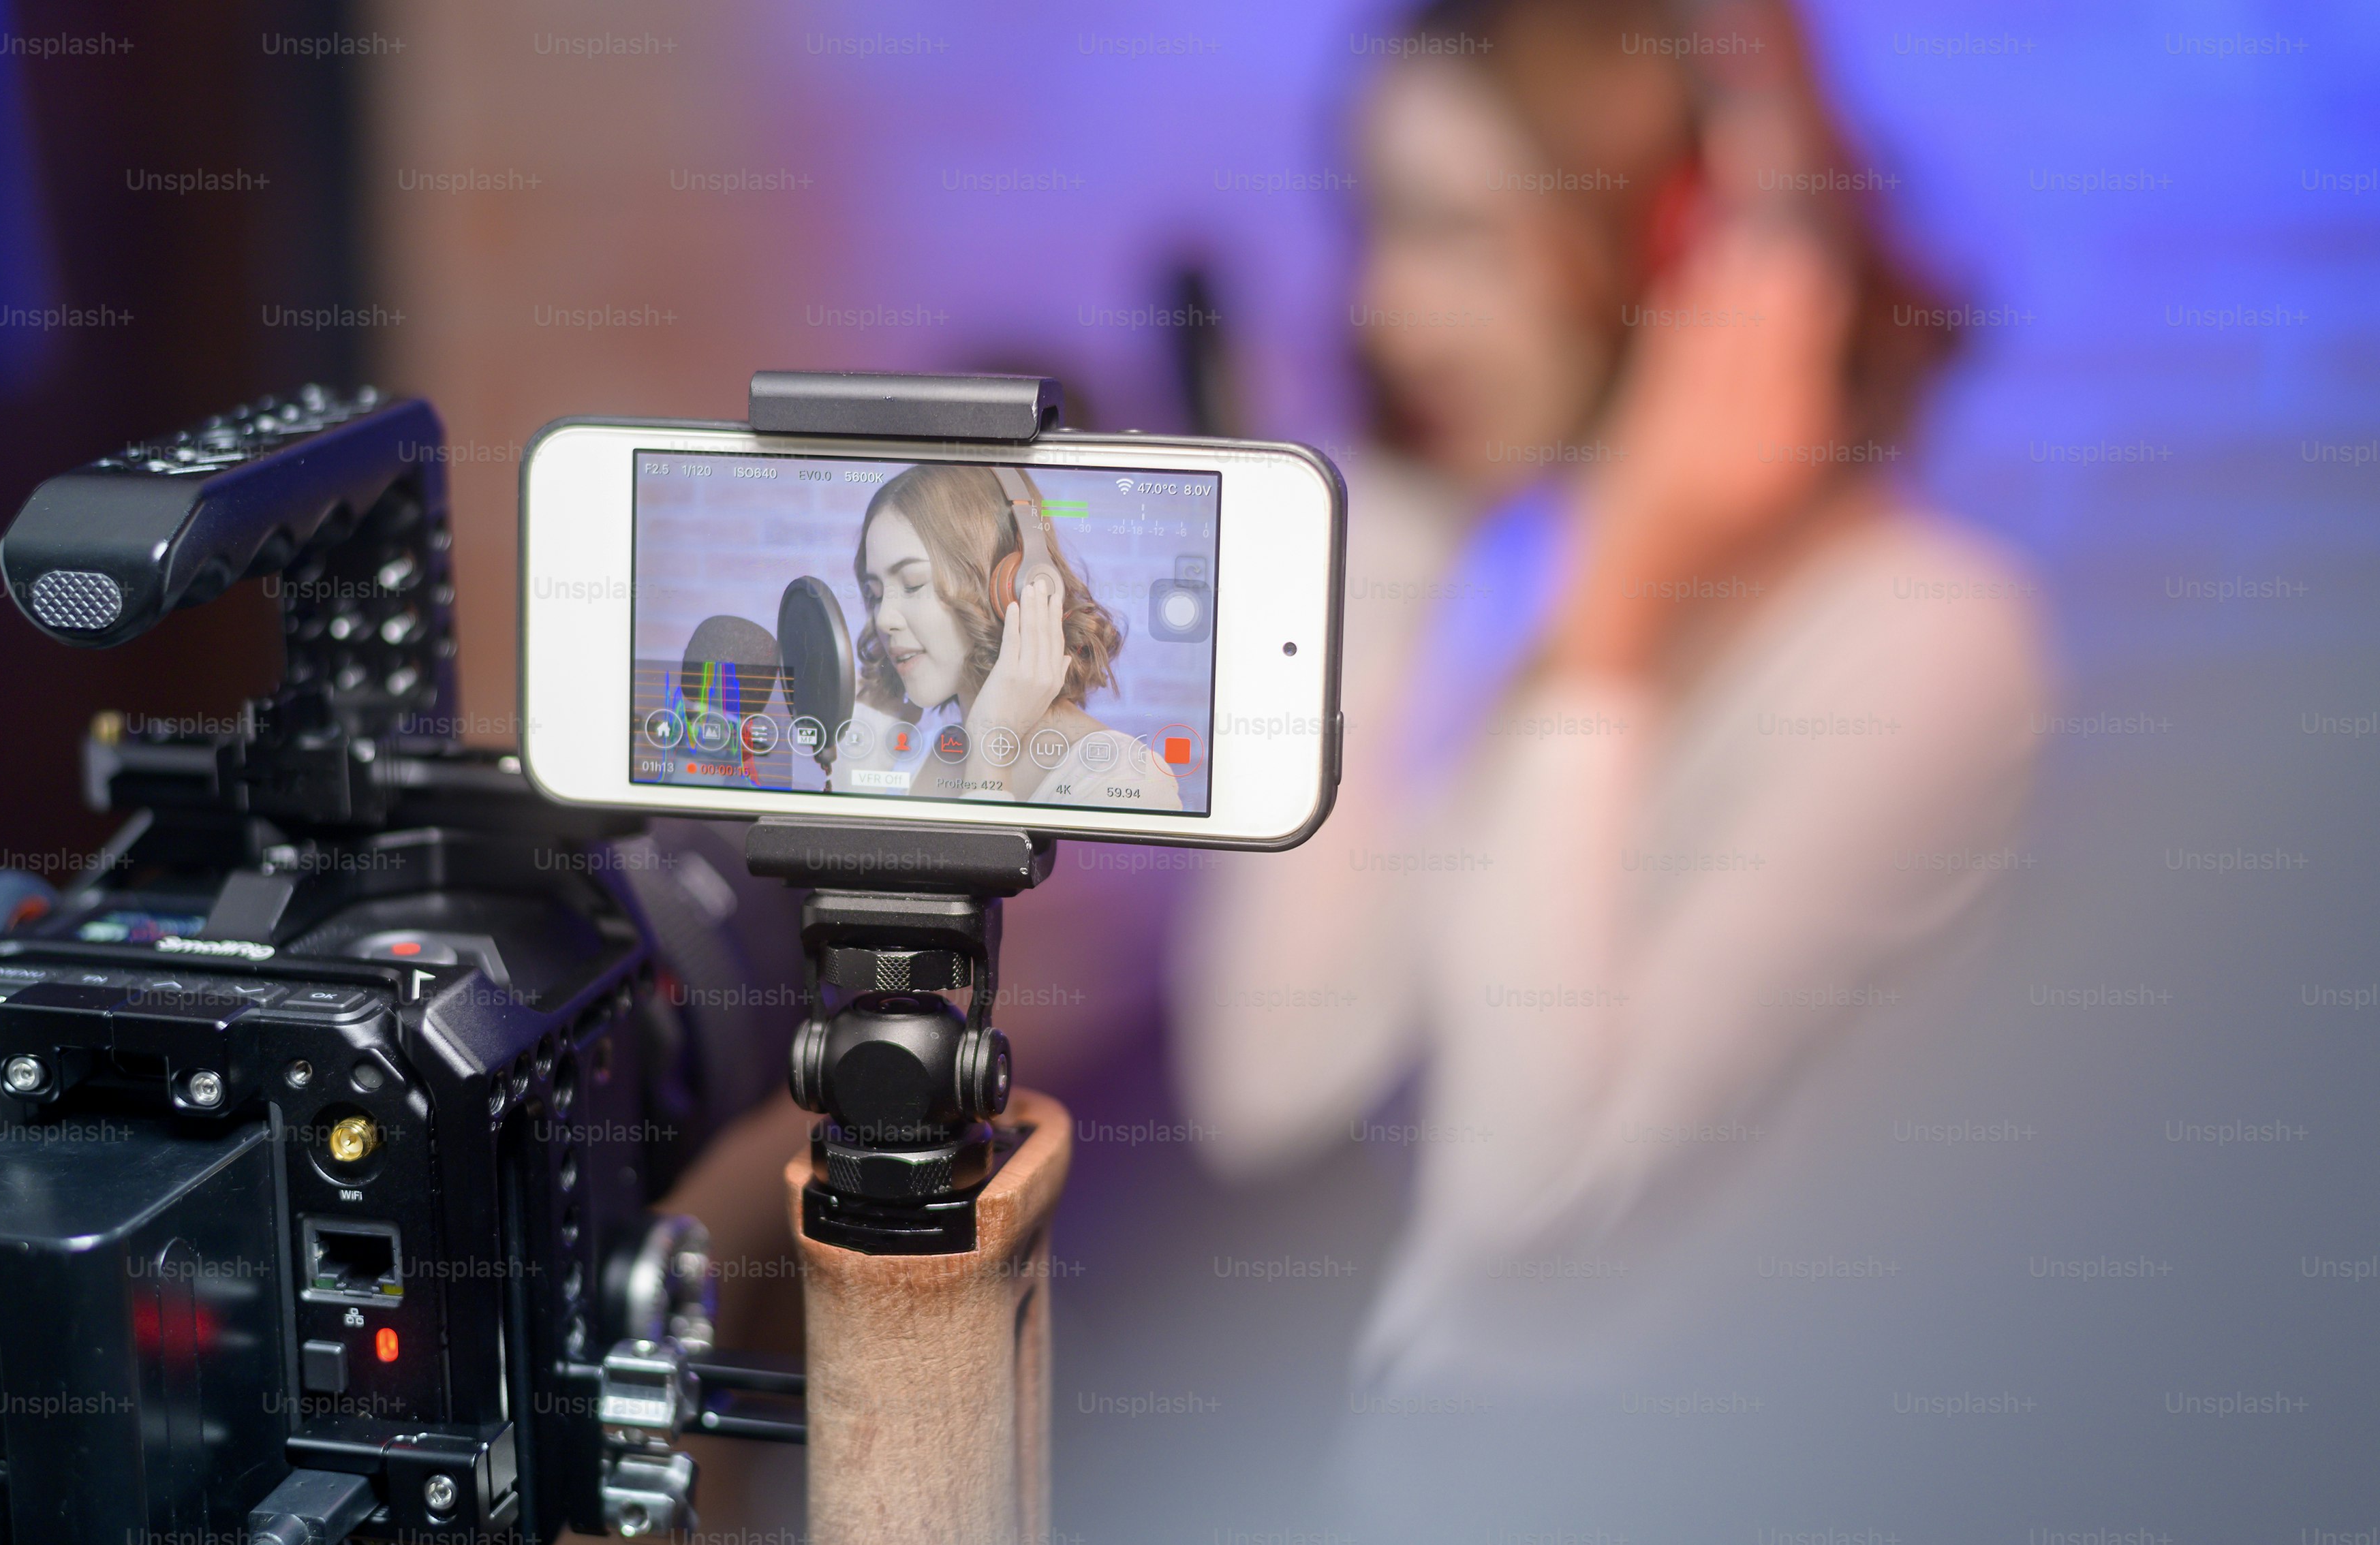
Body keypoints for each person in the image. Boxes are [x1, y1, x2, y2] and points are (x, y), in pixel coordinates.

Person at [1171, 0, 2049, 1384]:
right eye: (1376, 226)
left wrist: (1611, 616)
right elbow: (1269, 1086)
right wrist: (1393, 517)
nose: (1378, 309)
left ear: (1689, 245)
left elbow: (1520, 1219)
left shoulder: (1926, 647)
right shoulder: (1538, 598)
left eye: (1452, 230)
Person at [848, 462, 1184, 810]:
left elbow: (982, 865)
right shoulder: (915, 758)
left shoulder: (1126, 779)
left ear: (1014, 586)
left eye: (913, 583)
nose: (883, 619)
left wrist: (990, 758)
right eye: (874, 594)